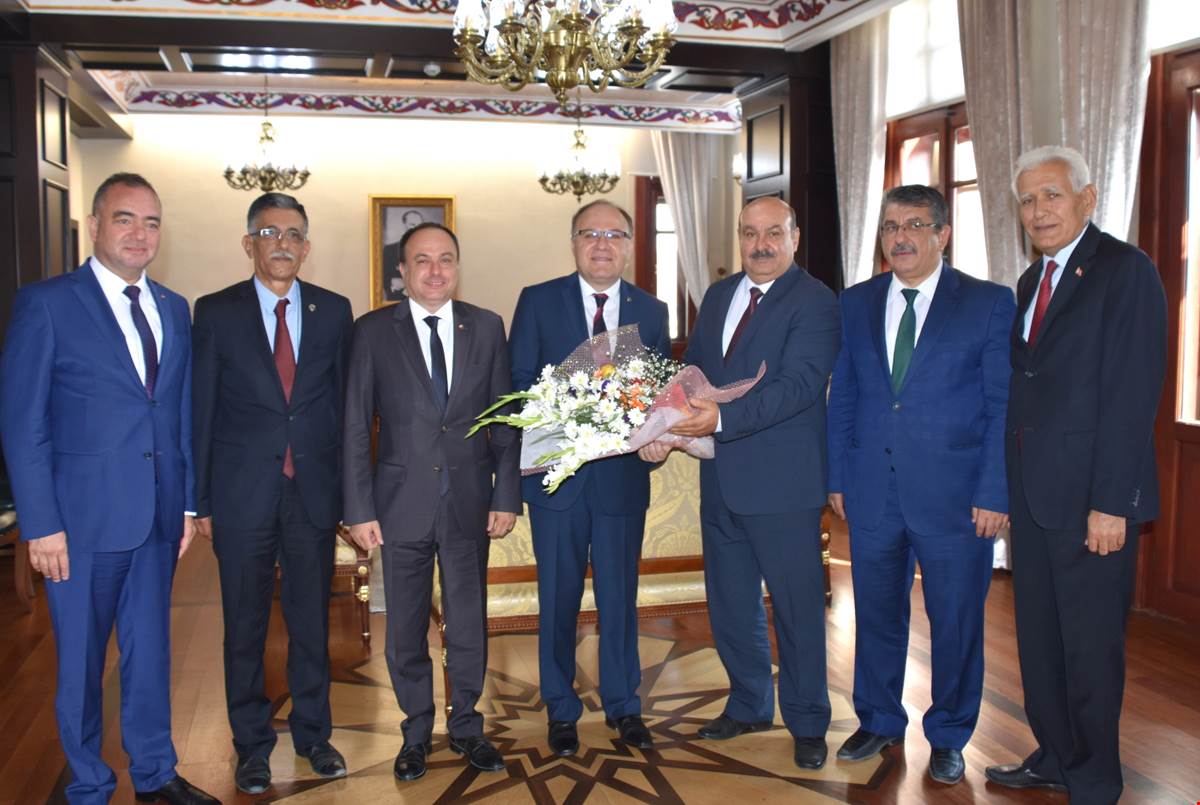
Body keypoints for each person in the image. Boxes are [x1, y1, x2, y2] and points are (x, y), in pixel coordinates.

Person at [0, 173, 217, 805]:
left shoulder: (173, 307)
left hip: (156, 517)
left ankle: (155, 773)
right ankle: (89, 785)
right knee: (81, 664)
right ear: (94, 225)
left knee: (150, 654)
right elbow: (23, 424)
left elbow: (176, 413)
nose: (139, 234)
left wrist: (185, 503)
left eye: (151, 222)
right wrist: (40, 523)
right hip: (79, 523)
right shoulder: (47, 304)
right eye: (125, 219)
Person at [985, 146, 1166, 804]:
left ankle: (1094, 780)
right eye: (1028, 199)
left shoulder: (1125, 270)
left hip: (1093, 501)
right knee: (1040, 645)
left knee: (1089, 651)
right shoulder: (1030, 282)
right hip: (1034, 499)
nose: (1038, 210)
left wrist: (1112, 502)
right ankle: (1056, 756)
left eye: (1052, 195)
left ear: (1087, 199)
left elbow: (1131, 395)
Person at [825, 185, 1015, 784]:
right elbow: (844, 395)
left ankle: (950, 733)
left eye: (913, 225)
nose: (900, 238)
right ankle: (879, 719)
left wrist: (995, 491)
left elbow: (1002, 405)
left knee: (956, 621)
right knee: (876, 614)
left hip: (957, 497)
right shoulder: (856, 302)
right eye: (890, 227)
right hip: (872, 490)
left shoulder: (987, 302)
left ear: (942, 234)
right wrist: (838, 475)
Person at [642, 196, 840, 770]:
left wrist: (720, 420)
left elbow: (798, 386)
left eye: (774, 232)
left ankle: (807, 720)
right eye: (750, 233)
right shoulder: (720, 295)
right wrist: (662, 427)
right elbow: (693, 376)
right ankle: (749, 703)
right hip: (721, 479)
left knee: (796, 610)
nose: (761, 244)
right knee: (730, 603)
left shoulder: (816, 301)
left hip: (784, 487)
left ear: (794, 237)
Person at [343, 222, 521, 782]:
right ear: (402, 271)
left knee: (468, 621)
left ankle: (467, 725)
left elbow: (505, 420)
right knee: (405, 628)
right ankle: (415, 731)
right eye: (422, 260)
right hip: (400, 503)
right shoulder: (373, 331)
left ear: (458, 267)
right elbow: (356, 425)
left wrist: (506, 494)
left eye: (445, 259)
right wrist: (359, 508)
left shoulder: (486, 326)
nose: (435, 270)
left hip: (470, 502)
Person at [191, 192, 354, 795]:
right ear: (248, 243)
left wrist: (351, 496)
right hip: (241, 497)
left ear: (306, 248)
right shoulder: (216, 312)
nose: (281, 243)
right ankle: (252, 747)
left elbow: (346, 408)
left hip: (312, 493)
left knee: (312, 622)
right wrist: (200, 501)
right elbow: (201, 410)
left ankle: (314, 737)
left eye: (292, 234)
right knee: (245, 627)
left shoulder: (334, 310)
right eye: (269, 232)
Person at [508, 200, 670, 757]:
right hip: (558, 481)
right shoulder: (538, 300)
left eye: (614, 234)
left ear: (628, 245)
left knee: (620, 599)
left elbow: (658, 393)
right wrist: (568, 416)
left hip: (621, 483)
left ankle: (625, 706)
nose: (602, 244)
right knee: (558, 599)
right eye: (590, 233)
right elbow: (519, 382)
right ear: (573, 242)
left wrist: (656, 434)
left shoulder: (652, 310)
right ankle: (561, 709)